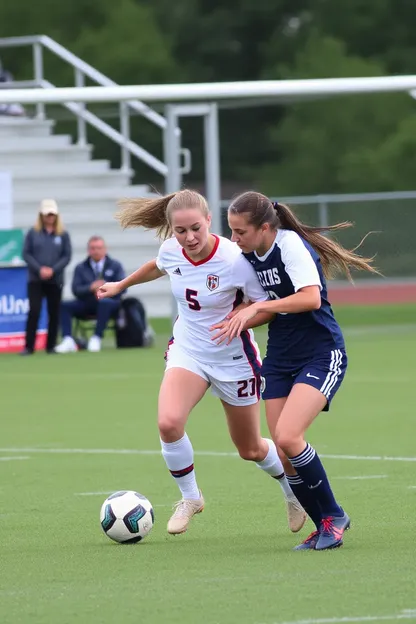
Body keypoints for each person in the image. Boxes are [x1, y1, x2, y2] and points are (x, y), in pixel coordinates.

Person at [97, 189, 306, 536]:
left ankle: (292, 493)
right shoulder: (171, 250)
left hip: (233, 358)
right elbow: (158, 265)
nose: (189, 237)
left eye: (196, 228)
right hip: (189, 350)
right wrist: (122, 284)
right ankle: (190, 498)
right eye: (180, 231)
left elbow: (263, 306)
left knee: (250, 448)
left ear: (209, 221)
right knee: (168, 422)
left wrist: (241, 319)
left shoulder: (234, 260)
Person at [211, 191, 379, 551]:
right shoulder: (248, 255)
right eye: (231, 231)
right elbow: (267, 308)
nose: (234, 239)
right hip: (281, 358)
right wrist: (242, 314)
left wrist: (257, 307)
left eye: (240, 232)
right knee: (285, 454)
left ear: (265, 228)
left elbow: (310, 298)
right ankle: (323, 527)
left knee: (288, 436)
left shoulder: (290, 246)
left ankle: (334, 516)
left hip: (321, 352)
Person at [55, 236, 125, 353]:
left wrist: (106, 287)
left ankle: (96, 337)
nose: (96, 251)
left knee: (105, 303)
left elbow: (123, 288)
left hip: (110, 303)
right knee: (64, 305)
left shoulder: (115, 265)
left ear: (105, 249)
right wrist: (90, 287)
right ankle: (68, 339)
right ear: (88, 250)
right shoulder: (81, 267)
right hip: (88, 302)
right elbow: (76, 289)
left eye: (99, 248)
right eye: (93, 248)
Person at [21, 199, 72, 355]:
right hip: (36, 279)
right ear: (41, 216)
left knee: (54, 312)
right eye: (47, 214)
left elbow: (66, 256)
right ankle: (29, 346)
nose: (50, 217)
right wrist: (40, 269)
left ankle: (50, 346)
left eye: (52, 214)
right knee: (34, 311)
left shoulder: (62, 234)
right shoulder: (33, 233)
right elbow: (26, 254)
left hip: (55, 280)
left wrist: (53, 270)